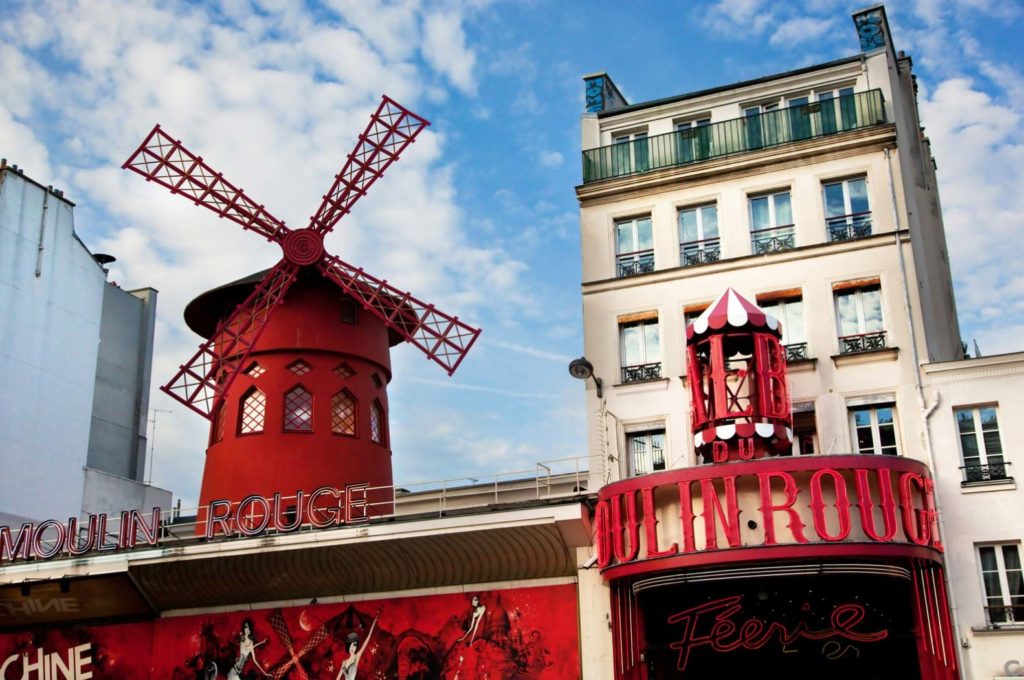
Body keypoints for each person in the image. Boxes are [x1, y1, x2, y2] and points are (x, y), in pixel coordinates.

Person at [337, 610, 380, 680]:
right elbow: (338, 678)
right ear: (348, 645)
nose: (352, 647)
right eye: (350, 644)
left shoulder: (357, 657)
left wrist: (375, 621)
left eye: (354, 645)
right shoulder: (344, 662)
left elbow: (367, 638)